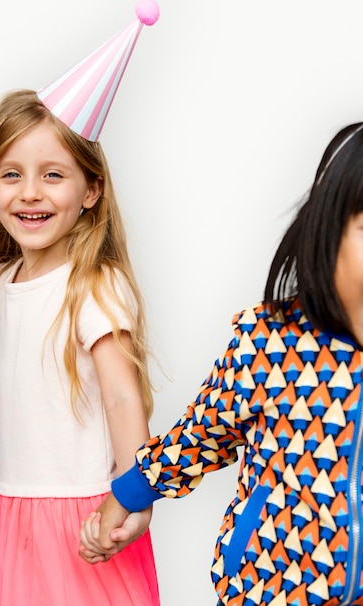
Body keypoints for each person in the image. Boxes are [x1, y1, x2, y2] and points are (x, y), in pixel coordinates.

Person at [80, 121, 363, 606]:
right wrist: (128, 494)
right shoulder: (272, 341)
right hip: (271, 589)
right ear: (329, 230)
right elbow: (200, 433)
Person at [0, 86, 160, 605]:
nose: (30, 192)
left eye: (52, 174)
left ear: (91, 190)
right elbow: (11, 377)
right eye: (11, 174)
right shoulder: (4, 283)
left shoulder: (93, 285)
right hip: (11, 511)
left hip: (81, 513)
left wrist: (136, 495)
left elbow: (121, 398)